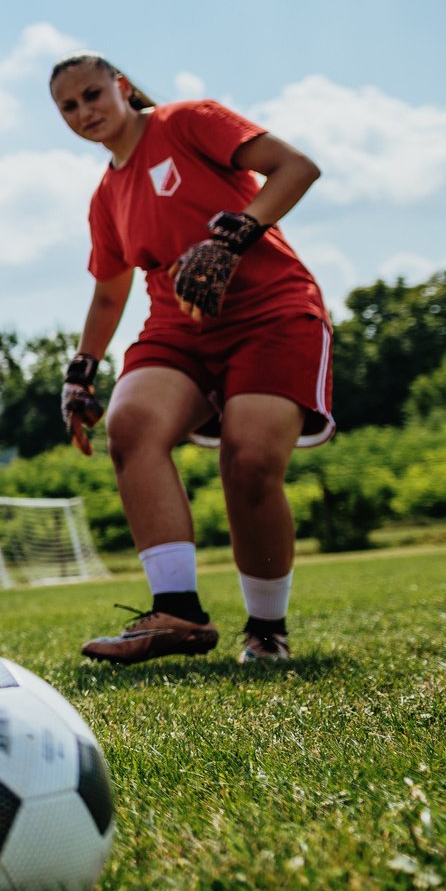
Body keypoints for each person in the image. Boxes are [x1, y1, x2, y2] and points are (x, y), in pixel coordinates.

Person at [48, 53, 329, 664]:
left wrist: (231, 236)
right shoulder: (105, 196)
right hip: (178, 329)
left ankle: (266, 628)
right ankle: (177, 613)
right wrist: (81, 372)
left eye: (93, 94)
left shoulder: (188, 121)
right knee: (131, 425)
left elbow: (297, 167)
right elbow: (108, 291)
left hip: (270, 313)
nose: (84, 112)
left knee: (248, 458)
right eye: (68, 107)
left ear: (122, 88)